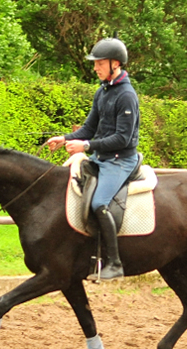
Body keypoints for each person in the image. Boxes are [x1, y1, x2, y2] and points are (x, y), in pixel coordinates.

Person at [47, 37, 140, 281]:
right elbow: (89, 128)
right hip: (101, 158)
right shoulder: (103, 92)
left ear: (115, 64)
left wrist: (85, 146)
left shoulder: (127, 96)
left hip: (120, 161)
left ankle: (114, 263)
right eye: (95, 63)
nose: (95, 67)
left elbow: (122, 138)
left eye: (100, 63)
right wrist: (64, 138)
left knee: (99, 203)